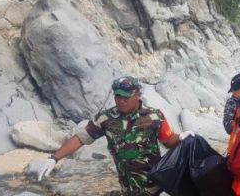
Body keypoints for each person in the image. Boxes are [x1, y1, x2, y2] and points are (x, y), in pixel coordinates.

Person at [26, 76, 194, 196]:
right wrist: (53, 158)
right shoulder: (105, 119)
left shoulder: (155, 117)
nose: (121, 101)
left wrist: (181, 138)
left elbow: (168, 140)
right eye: (117, 96)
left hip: (156, 187)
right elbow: (80, 138)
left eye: (126, 96)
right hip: (128, 188)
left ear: (138, 95)